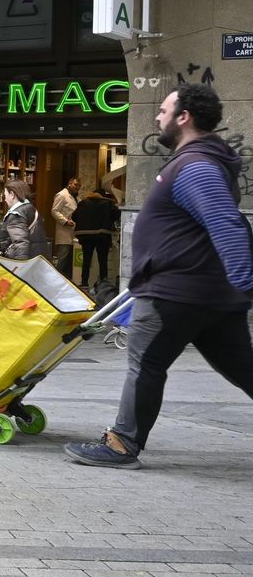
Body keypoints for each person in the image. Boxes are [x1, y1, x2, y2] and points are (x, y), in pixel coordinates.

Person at [65, 84, 253, 469]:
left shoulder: (196, 166)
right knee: (243, 368)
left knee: (145, 364)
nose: (157, 116)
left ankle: (121, 445)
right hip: (206, 293)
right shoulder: (201, 161)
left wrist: (247, 280)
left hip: (176, 292)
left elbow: (227, 224)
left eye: (164, 110)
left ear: (184, 117)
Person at [73, 186, 121, 288]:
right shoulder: (108, 203)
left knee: (86, 260)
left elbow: (74, 216)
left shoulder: (83, 203)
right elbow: (117, 213)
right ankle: (103, 283)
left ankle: (84, 283)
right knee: (102, 260)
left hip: (86, 236)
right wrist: (108, 221)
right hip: (102, 235)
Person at [0, 178, 50, 260]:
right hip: (36, 259)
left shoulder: (16, 215)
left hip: (22, 262)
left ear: (12, 194)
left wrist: (20, 265)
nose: (5, 199)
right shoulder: (30, 209)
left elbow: (21, 242)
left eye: (5, 195)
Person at [51, 175, 81, 279]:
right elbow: (54, 211)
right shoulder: (62, 195)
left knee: (70, 261)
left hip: (74, 232)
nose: (78, 187)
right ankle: (55, 279)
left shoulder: (76, 197)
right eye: (76, 184)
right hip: (64, 231)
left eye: (79, 185)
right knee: (62, 258)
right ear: (69, 184)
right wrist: (65, 221)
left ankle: (67, 280)